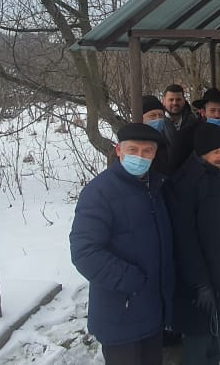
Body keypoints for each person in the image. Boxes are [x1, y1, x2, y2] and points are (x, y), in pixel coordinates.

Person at [70, 123, 174, 365]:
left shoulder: (156, 188)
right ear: (119, 150)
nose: (140, 156)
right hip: (121, 311)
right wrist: (132, 281)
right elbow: (84, 252)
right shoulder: (100, 192)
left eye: (147, 151)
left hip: (152, 310)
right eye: (133, 150)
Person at [166, 124, 220, 365]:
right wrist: (200, 283)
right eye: (215, 152)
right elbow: (184, 240)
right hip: (200, 283)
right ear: (200, 152)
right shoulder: (184, 183)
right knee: (199, 346)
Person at [142, 94, 173, 176]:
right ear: (141, 118)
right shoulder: (131, 144)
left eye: (161, 115)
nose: (158, 119)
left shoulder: (165, 141)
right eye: (152, 116)